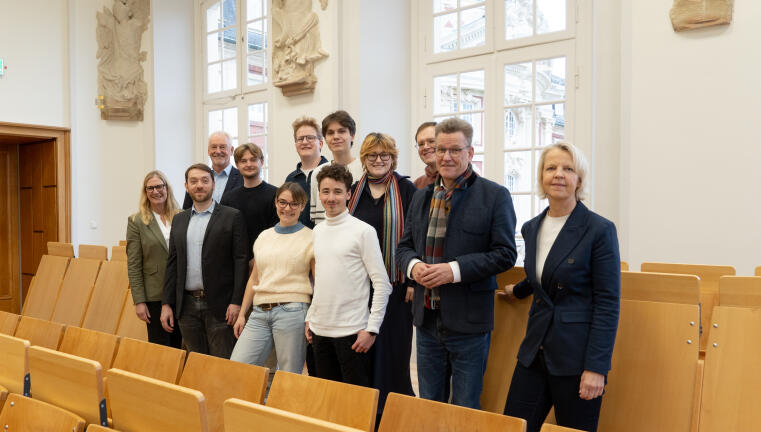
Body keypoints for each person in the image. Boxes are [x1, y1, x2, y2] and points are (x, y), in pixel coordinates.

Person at [396, 117, 517, 409]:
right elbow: (403, 248)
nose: (446, 157)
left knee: (465, 409)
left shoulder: (494, 195)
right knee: (430, 405)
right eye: (440, 150)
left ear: (470, 153)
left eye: (454, 150)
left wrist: (453, 271)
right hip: (426, 321)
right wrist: (413, 267)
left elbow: (505, 253)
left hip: (469, 324)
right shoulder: (422, 195)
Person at [500, 142, 620, 432]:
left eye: (568, 169)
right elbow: (544, 272)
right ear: (541, 176)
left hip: (577, 359)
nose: (558, 174)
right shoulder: (531, 227)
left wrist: (596, 368)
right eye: (551, 168)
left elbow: (608, 303)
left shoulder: (599, 229)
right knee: (511, 427)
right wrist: (518, 291)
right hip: (534, 351)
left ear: (579, 179)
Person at [305, 164, 392, 387]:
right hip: (319, 331)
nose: (331, 198)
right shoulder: (318, 231)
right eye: (325, 191)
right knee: (327, 401)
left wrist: (372, 329)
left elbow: (382, 284)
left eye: (337, 191)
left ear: (349, 194)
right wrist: (310, 318)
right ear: (318, 194)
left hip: (353, 333)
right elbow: (322, 280)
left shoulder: (363, 231)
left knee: (355, 407)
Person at [348, 133, 417, 409]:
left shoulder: (406, 190)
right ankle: (367, 409)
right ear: (363, 159)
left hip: (397, 285)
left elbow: (416, 236)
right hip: (360, 286)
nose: (378, 160)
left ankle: (393, 410)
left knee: (393, 351)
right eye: (372, 155)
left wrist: (413, 280)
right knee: (364, 350)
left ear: (393, 158)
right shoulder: (353, 190)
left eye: (384, 155)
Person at [161, 163, 248, 358]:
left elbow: (240, 261)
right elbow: (172, 263)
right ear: (186, 186)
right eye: (194, 181)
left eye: (204, 180)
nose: (199, 185)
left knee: (222, 363)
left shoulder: (231, 216)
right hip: (187, 306)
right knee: (195, 363)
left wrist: (236, 302)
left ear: (213, 184)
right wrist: (167, 303)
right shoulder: (179, 220)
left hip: (220, 306)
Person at [230, 182, 314, 373]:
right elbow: (254, 279)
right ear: (275, 203)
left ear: (303, 205)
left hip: (293, 310)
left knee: (288, 375)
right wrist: (242, 314)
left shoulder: (311, 237)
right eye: (282, 202)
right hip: (259, 312)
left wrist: (312, 317)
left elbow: (318, 283)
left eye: (294, 204)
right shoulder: (264, 237)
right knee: (238, 367)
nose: (287, 208)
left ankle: (283, 404)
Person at [126, 170, 182, 348]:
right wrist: (139, 301)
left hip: (181, 291)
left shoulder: (182, 216)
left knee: (181, 344)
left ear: (167, 188)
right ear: (145, 192)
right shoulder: (137, 221)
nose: (155, 191)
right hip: (155, 294)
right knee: (161, 347)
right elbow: (134, 264)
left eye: (159, 186)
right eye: (150, 188)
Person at [220, 143, 278, 268]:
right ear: (237, 165)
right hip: (235, 265)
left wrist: (256, 260)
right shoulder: (228, 198)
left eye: (253, 160)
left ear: (261, 162)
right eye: (243, 161)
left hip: (267, 262)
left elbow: (276, 232)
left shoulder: (276, 195)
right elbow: (224, 235)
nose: (248, 164)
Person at [310, 110, 364, 225]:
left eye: (341, 131)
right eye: (330, 133)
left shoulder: (364, 169)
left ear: (352, 136)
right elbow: (317, 219)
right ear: (325, 139)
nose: (336, 137)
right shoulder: (317, 173)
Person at [284, 116, 329, 228]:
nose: (304, 142)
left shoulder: (331, 173)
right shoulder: (290, 179)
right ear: (296, 145)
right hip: (297, 239)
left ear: (321, 143)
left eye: (310, 138)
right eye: (300, 139)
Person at [182, 131, 242, 209]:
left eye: (222, 147)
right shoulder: (197, 179)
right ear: (208, 151)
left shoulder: (242, 178)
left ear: (231, 150)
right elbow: (187, 209)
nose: (218, 151)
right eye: (214, 147)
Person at [413, 121, 438, 189]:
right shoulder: (417, 184)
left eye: (431, 141)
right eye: (421, 144)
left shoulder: (454, 179)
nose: (425, 147)